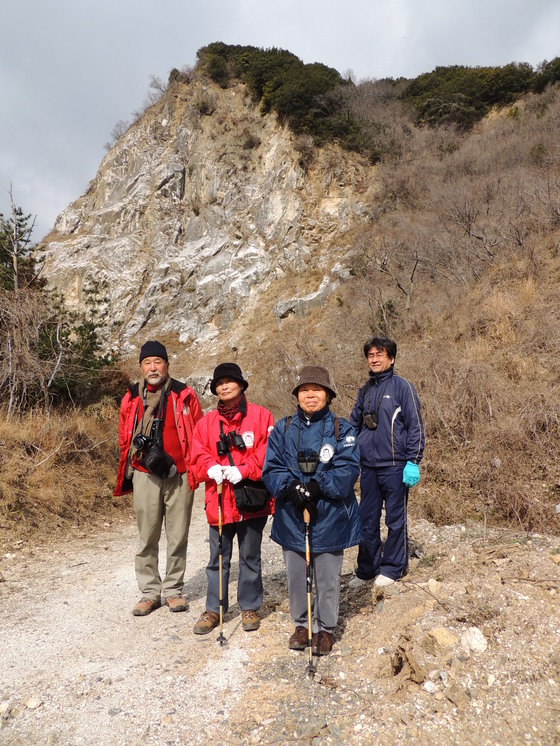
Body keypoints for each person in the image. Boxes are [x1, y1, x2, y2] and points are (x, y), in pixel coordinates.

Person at [262, 365, 361, 656]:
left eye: (317, 390)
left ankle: (325, 629)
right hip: (292, 516)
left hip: (329, 516)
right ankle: (302, 625)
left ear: (328, 395)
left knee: (328, 577)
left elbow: (347, 469)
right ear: (297, 395)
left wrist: (317, 486)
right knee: (296, 575)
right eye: (305, 390)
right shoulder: (282, 428)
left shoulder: (342, 429)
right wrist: (290, 488)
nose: (311, 395)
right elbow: (272, 468)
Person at [114, 340, 203, 616]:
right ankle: (150, 592)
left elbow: (199, 432)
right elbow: (122, 436)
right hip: (144, 475)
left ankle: (174, 590)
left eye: (158, 362)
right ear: (141, 367)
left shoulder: (184, 394)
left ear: (167, 365)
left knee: (177, 536)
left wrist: (195, 469)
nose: (153, 367)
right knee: (147, 535)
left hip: (180, 475)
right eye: (147, 363)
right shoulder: (131, 397)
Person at [190, 363, 274, 635]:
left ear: (241, 384)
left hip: (251, 498)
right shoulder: (206, 423)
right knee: (218, 556)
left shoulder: (262, 417)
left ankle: (249, 604)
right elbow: (197, 454)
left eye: (229, 381)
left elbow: (269, 453)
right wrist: (210, 467)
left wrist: (244, 469)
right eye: (219, 383)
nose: (224, 386)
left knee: (250, 555)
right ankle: (214, 608)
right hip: (219, 498)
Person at [349, 336, 425, 589]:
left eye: (380, 354)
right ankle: (367, 568)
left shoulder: (403, 387)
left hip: (395, 466)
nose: (375, 359)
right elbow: (353, 426)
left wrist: (413, 461)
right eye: (371, 355)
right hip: (368, 467)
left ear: (391, 358)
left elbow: (415, 427)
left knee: (395, 519)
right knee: (367, 519)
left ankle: (393, 568)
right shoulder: (365, 390)